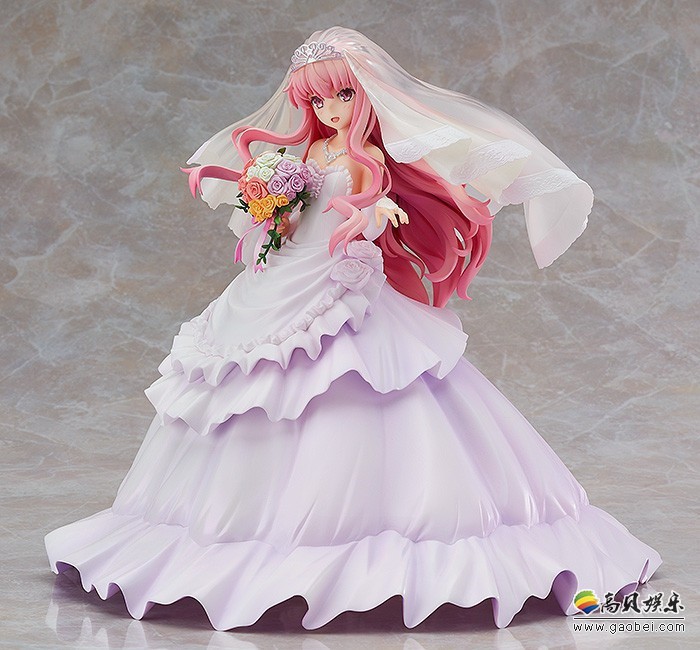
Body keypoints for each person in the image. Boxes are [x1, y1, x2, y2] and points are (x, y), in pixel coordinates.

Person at [45, 26, 661, 630]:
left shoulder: (365, 157)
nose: (330, 110)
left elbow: (368, 201)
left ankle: (368, 531)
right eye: (317, 100)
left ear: (364, 95)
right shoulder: (306, 154)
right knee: (245, 381)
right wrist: (258, 199)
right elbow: (285, 212)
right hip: (285, 273)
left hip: (338, 277)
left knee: (364, 378)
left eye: (342, 95)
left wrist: (373, 210)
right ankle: (228, 527)